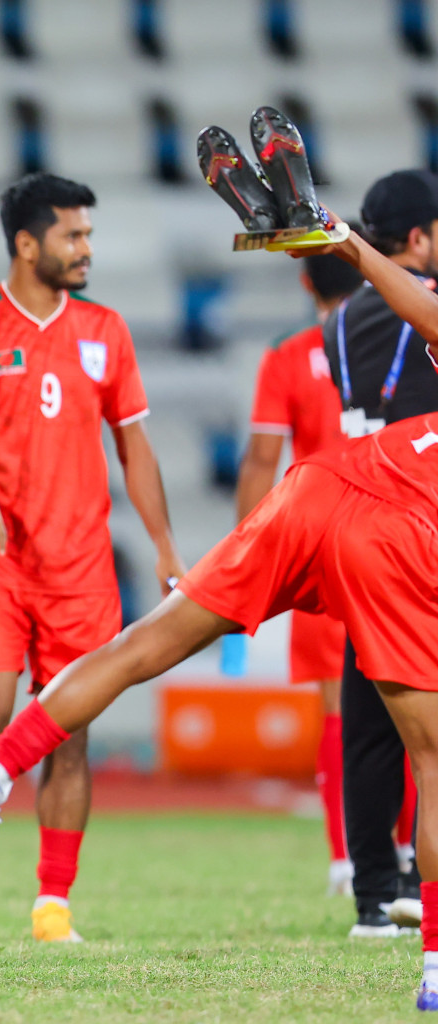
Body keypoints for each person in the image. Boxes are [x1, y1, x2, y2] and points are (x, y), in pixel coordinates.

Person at [0, 218, 438, 1012]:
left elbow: (418, 307)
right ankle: (437, 972)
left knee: (142, 647)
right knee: (433, 759)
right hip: (402, 529)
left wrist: (348, 246)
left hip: (322, 489)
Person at [0, 173, 184, 944]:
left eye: (88, 235)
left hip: (82, 567)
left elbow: (135, 445)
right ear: (27, 244)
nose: (86, 249)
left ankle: (53, 906)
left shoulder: (106, 330)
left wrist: (164, 547)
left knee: (68, 731)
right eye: (72, 236)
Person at [318, 171, 438, 936]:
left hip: (357, 518)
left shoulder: (337, 322)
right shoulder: (420, 306)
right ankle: (416, 889)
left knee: (367, 719)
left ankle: (372, 894)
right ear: (420, 237)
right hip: (421, 509)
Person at [235, 250, 364, 897]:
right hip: (400, 535)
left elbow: (262, 459)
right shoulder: (401, 338)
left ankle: (345, 857)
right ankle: (401, 844)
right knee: (408, 703)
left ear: (306, 281)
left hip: (321, 544)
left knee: (338, 710)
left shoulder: (289, 355)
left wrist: (249, 551)